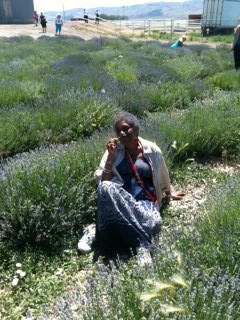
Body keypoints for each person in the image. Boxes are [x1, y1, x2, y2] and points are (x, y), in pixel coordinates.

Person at [78, 112, 185, 266]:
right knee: (105, 187)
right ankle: (140, 245)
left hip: (144, 202)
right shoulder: (114, 151)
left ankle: (96, 231)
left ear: (135, 130)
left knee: (153, 223)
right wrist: (110, 157)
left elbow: (161, 172)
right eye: (118, 131)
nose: (121, 133)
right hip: (121, 201)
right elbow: (103, 181)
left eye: (125, 129)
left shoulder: (151, 149)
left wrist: (169, 192)